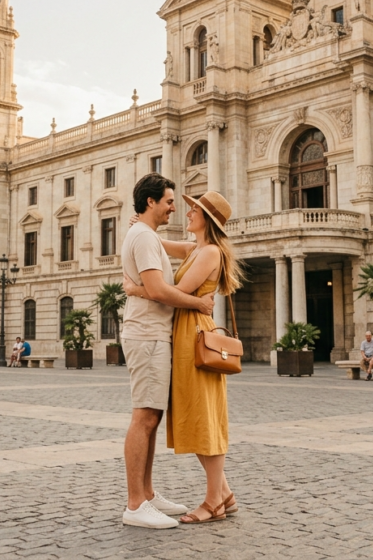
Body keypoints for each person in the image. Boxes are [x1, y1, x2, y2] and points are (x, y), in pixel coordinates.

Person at [125, 188, 242, 525]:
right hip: (186, 334)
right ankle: (226, 494)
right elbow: (158, 243)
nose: (187, 212)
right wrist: (143, 227)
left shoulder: (209, 254)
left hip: (194, 335)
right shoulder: (197, 248)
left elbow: (176, 293)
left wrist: (136, 290)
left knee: (203, 416)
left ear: (207, 219)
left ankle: (213, 501)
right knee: (197, 413)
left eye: (193, 209)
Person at [119, 173, 215, 529]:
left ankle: (146, 493)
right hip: (147, 335)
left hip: (153, 333)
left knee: (152, 418)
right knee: (143, 418)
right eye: (170, 201)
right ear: (151, 202)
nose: (175, 207)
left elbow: (193, 249)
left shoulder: (148, 236)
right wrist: (197, 304)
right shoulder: (144, 237)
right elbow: (158, 289)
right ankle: (134, 504)